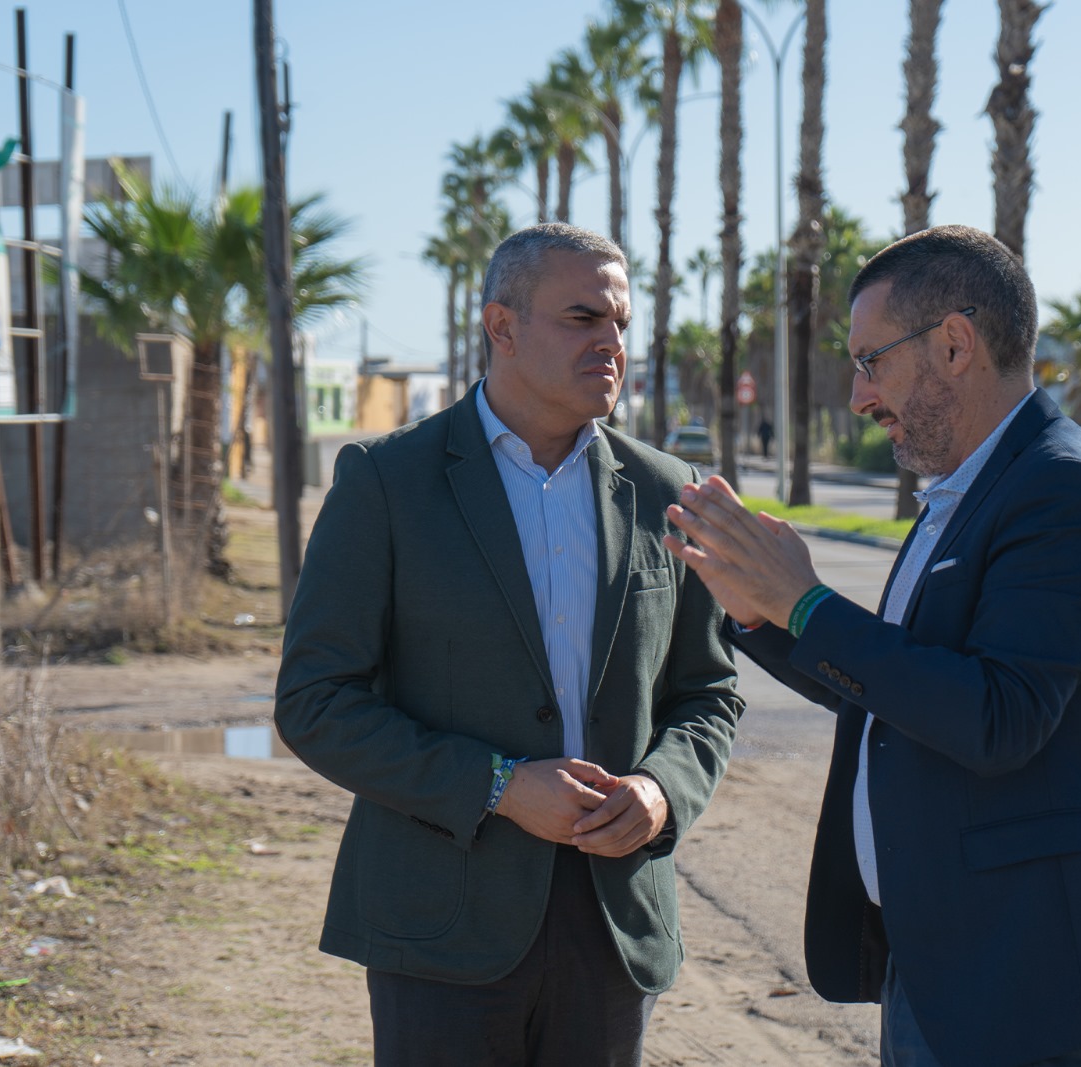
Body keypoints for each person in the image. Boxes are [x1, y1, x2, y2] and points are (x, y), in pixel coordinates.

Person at [664, 225, 1081, 1067]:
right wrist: (765, 614)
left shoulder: (1061, 491)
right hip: (948, 963)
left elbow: (995, 717)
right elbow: (899, 690)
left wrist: (805, 602)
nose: (860, 396)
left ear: (953, 344)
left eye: (871, 361)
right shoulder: (969, 489)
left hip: (1027, 978)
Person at [275, 223, 743, 1067]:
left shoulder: (667, 493)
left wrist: (659, 790)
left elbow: (708, 694)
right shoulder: (386, 482)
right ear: (502, 326)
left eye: (620, 324)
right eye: (581, 318)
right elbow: (315, 702)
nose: (610, 343)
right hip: (442, 924)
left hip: (611, 920)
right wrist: (497, 786)